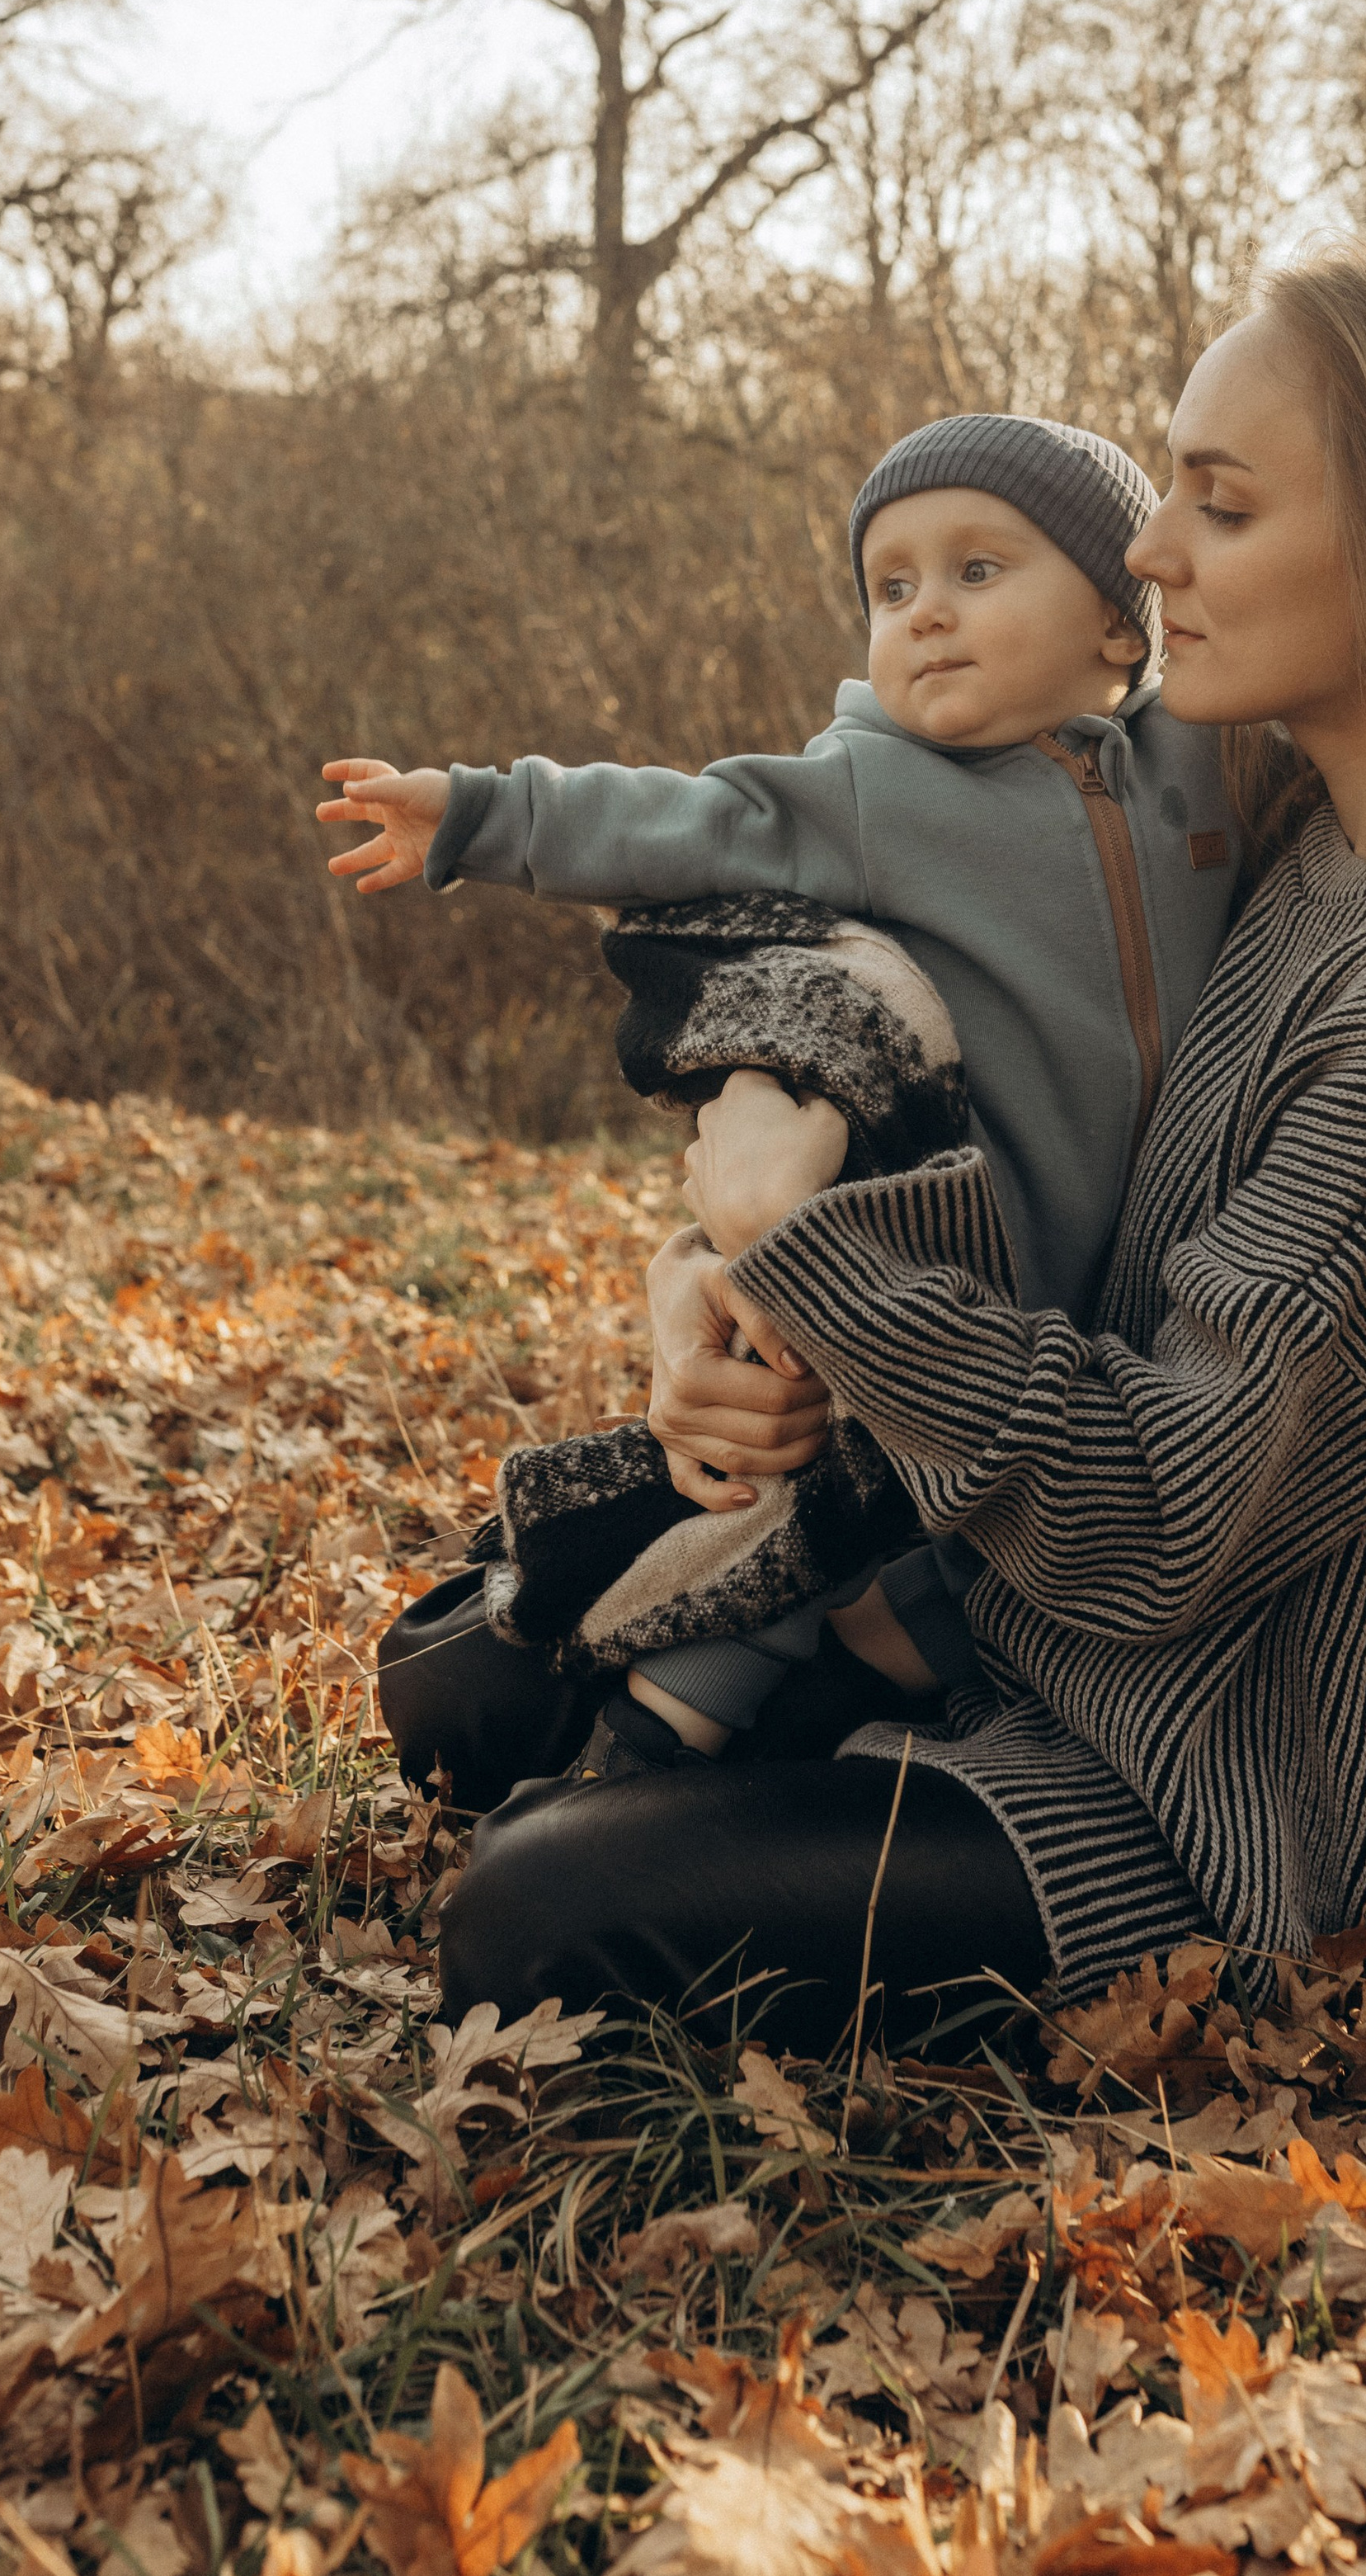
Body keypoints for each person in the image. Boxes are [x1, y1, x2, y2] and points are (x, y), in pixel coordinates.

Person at [426, 236, 1366, 2055]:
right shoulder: (1272, 846)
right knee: (463, 1672)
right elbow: (919, 1038)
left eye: (1217, 502)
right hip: (1020, 1622)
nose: (1144, 552)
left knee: (531, 1914)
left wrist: (807, 1262)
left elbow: (1169, 1516)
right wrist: (709, 1303)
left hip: (1241, 1795)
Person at [318, 417, 1243, 1778]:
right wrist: (475, 815)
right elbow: (682, 821)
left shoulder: (1202, 770)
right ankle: (642, 1747)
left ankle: (813, 1712)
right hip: (946, 1258)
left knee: (937, 1548)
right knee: (810, 1498)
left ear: (1120, 623)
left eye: (979, 570)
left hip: (1131, 1308)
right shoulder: (873, 790)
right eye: (892, 587)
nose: (926, 613)